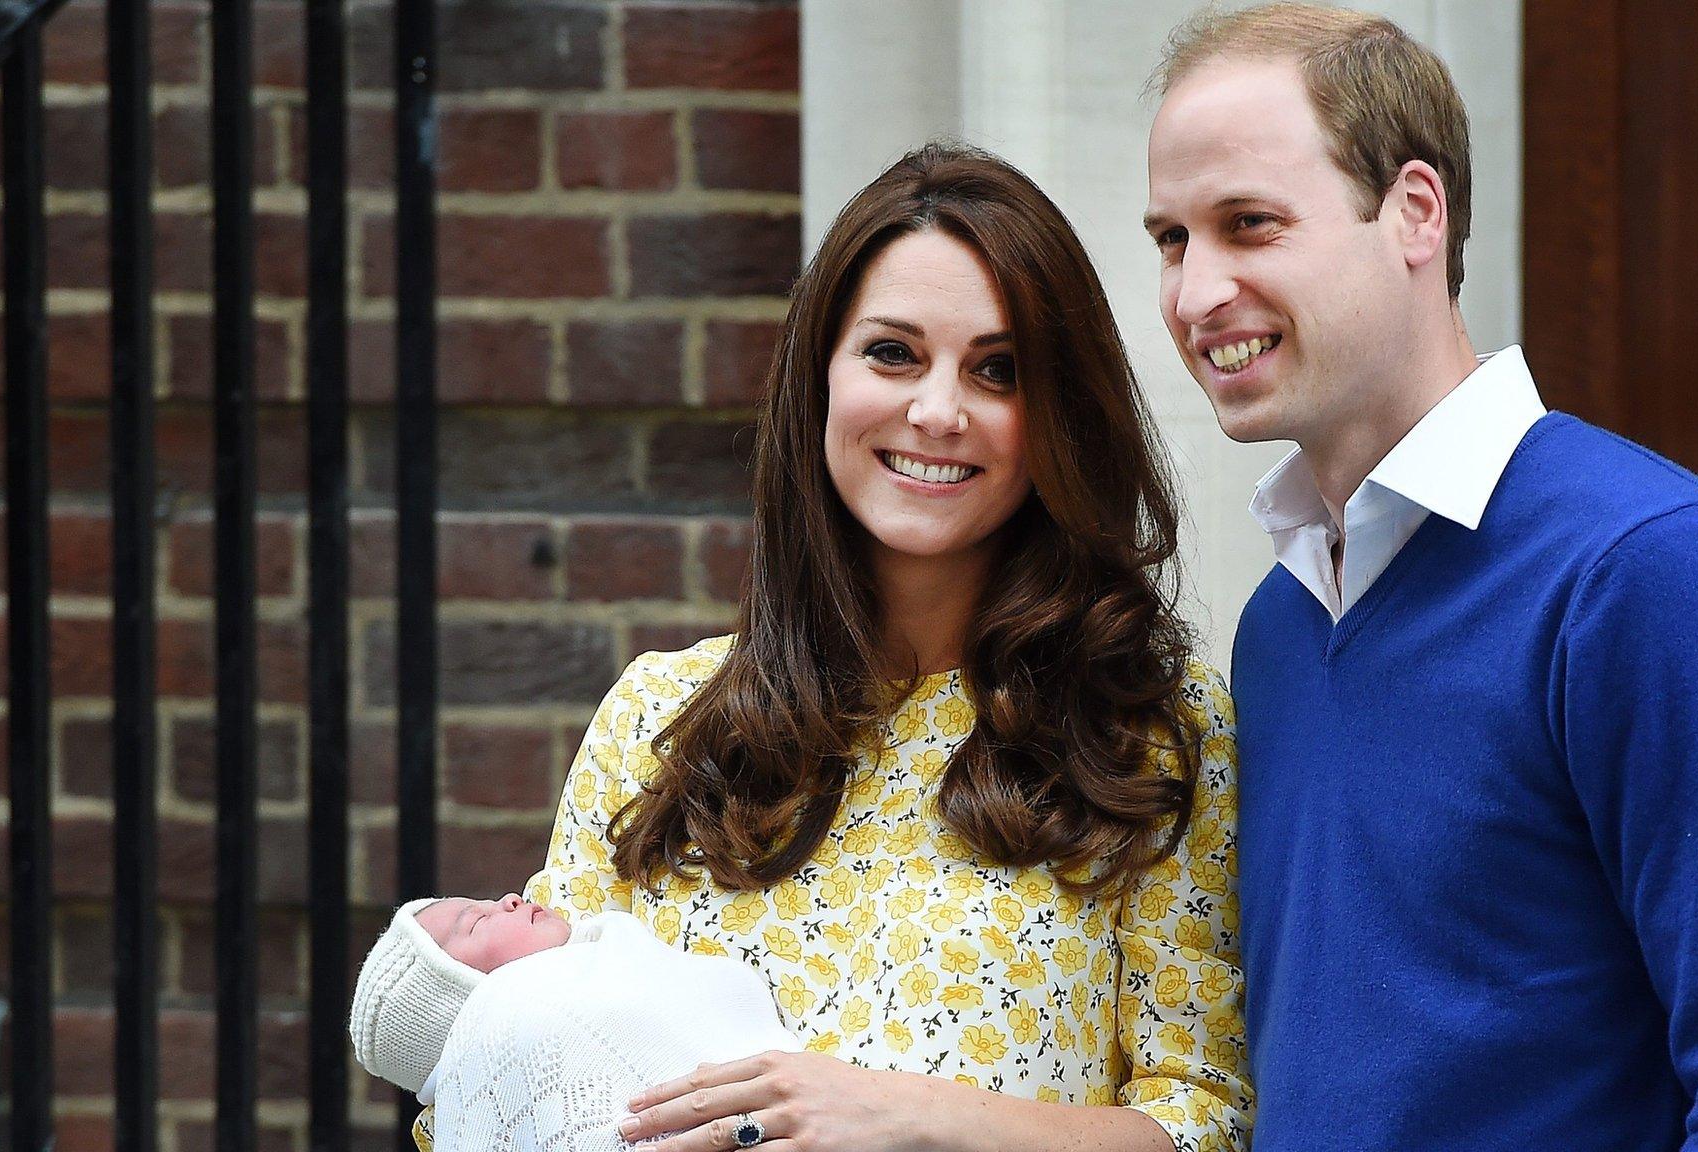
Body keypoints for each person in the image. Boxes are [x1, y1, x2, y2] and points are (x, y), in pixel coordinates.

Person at [1142, 5, 1698, 1150]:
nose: (1195, 296)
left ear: (1414, 214)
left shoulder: (1650, 571)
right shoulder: (1281, 626)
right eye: (1172, 240)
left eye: (1249, 225)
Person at [522, 143, 1249, 1152]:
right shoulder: (657, 718)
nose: (937, 411)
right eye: (892, 354)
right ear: (819, 375)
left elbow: (1205, 1120)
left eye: (995, 371)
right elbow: (517, 1079)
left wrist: (913, 1119)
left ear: (1057, 419)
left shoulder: (1153, 738)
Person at [350, 894, 799, 1152]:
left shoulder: (612, 960)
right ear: (463, 996)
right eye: (478, 920)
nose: (507, 900)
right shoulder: (526, 1018)